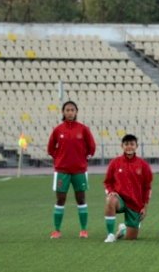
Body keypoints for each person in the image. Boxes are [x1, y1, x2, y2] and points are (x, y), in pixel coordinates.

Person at [47, 101, 96, 239]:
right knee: (60, 199)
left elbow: (91, 146)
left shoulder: (83, 129)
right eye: (67, 110)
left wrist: (84, 158)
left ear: (76, 112)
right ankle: (57, 230)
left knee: (81, 199)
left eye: (72, 110)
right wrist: (59, 159)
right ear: (63, 112)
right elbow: (50, 148)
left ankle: (83, 230)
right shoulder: (58, 130)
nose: (70, 112)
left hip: (79, 170)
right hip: (61, 171)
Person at [103, 134, 153, 242]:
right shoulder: (115, 163)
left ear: (136, 146)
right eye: (126, 144)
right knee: (110, 200)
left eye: (132, 144)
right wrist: (111, 192)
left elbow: (147, 187)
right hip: (119, 199)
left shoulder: (143, 165)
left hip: (135, 204)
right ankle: (110, 235)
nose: (129, 146)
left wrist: (145, 207)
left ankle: (123, 230)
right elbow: (107, 182)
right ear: (122, 146)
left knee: (131, 238)